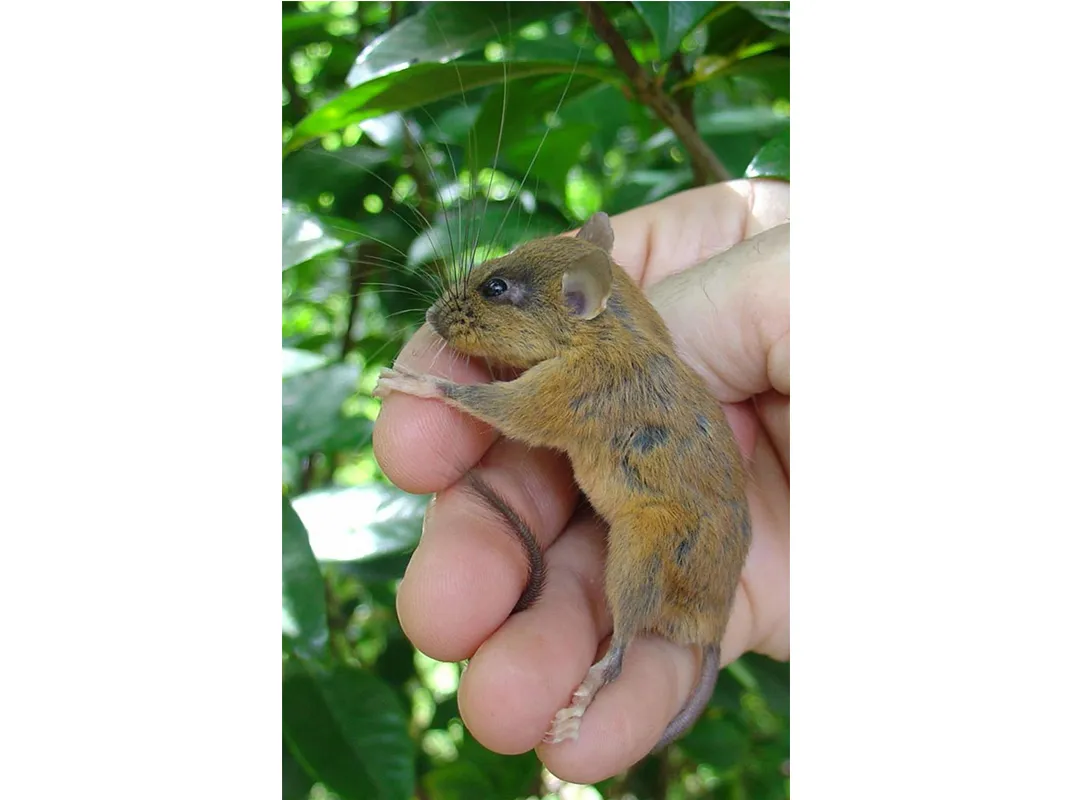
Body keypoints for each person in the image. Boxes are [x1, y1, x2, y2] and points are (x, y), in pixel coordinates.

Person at [373, 179, 790, 784]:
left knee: (643, 533)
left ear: (579, 302)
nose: (462, 312)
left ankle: (610, 664)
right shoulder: (593, 346)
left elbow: (520, 412)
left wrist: (433, 387)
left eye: (497, 292)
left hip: (684, 545)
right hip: (716, 520)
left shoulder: (599, 365)